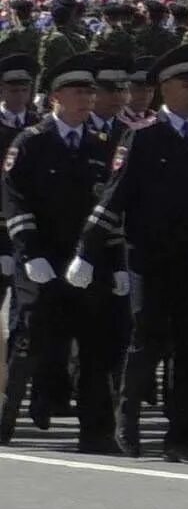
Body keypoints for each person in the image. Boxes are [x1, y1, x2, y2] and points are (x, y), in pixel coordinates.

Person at [72, 47, 188, 462]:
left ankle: (179, 436)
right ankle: (128, 424)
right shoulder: (143, 135)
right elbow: (114, 197)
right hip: (149, 256)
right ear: (164, 88)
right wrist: (87, 251)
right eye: (186, 84)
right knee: (146, 343)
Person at [0, 55, 119, 451]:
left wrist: (114, 261)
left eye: (89, 92)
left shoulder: (101, 146)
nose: (86, 99)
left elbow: (114, 205)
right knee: (30, 343)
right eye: (77, 92)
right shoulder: (31, 143)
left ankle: (96, 431)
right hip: (42, 261)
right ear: (55, 98)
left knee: (95, 345)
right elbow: (14, 200)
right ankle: (6, 419)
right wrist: (29, 253)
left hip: (85, 262)